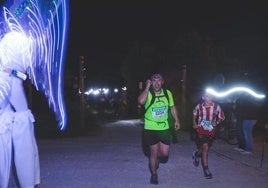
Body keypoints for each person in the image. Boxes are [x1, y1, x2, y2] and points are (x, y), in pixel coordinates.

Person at [0, 32, 40, 188]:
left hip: (14, 105)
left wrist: (11, 72)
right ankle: (29, 182)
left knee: (24, 135)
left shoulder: (14, 39)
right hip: (10, 102)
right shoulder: (13, 39)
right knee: (22, 137)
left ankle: (30, 181)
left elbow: (23, 76)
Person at [137, 73, 180, 185]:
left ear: (162, 82)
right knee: (154, 153)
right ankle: (154, 175)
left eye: (159, 80)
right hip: (150, 128)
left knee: (164, 154)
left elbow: (172, 107)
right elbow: (141, 101)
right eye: (154, 80)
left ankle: (156, 162)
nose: (156, 82)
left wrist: (177, 120)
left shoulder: (167, 93)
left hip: (164, 127)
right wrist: (146, 87)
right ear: (151, 82)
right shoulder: (148, 93)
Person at [192, 92, 225, 179]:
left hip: (211, 130)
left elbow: (222, 116)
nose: (209, 98)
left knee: (203, 148)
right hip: (201, 129)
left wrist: (216, 122)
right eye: (207, 96)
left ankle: (196, 154)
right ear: (203, 97)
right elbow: (194, 113)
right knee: (205, 147)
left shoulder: (216, 106)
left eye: (211, 96)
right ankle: (206, 169)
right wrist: (194, 122)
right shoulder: (199, 106)